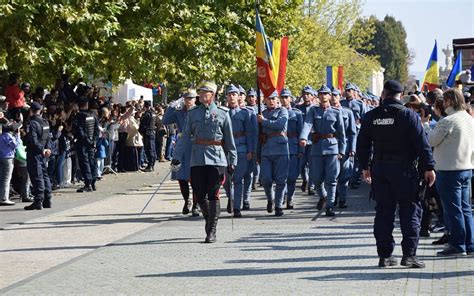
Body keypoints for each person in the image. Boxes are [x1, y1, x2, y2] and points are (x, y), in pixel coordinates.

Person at [357, 80, 436, 268]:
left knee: (384, 213)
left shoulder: (371, 116)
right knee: (410, 213)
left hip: (381, 170)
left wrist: (365, 167)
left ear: (384, 94)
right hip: (405, 171)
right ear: (400, 95)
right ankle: (409, 256)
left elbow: (362, 145)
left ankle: (385, 256)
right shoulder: (409, 116)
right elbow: (422, 145)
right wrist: (429, 167)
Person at [172, 81, 237, 243]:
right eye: (199, 93)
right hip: (198, 158)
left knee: (213, 194)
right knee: (199, 195)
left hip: (217, 158)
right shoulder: (193, 113)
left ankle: (212, 230)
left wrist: (233, 160)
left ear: (212, 95)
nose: (200, 96)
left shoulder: (223, 113)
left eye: (204, 93)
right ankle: (209, 221)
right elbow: (185, 136)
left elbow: (229, 139)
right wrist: (177, 156)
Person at [426, 88, 474, 256]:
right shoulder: (469, 119)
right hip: (466, 168)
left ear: (449, 101)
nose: (443, 104)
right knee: (465, 208)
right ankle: (470, 243)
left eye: (444, 101)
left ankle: (457, 244)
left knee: (453, 210)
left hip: (448, 169)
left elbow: (431, 139)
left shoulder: (447, 121)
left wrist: (426, 125)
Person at [299, 85, 346, 216]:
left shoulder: (336, 112)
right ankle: (323, 196)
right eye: (321, 94)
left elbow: (342, 134)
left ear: (330, 96)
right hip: (317, 148)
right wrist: (303, 137)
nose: (323, 96)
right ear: (318, 96)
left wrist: (341, 151)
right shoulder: (313, 111)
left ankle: (330, 206)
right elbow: (307, 124)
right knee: (316, 178)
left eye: (326, 93)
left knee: (331, 179)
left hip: (332, 148)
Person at [163, 89, 200, 216]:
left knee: (195, 177)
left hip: (195, 146)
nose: (188, 101)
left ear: (196, 99)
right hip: (181, 147)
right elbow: (165, 120)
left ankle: (196, 204)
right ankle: (187, 201)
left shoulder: (199, 111)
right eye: (186, 98)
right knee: (181, 176)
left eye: (191, 98)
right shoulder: (179, 112)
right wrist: (172, 105)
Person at [224, 84, 255, 217]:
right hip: (225, 150)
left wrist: (251, 150)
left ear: (238, 97)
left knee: (237, 179)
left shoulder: (246, 113)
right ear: (226, 97)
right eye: (229, 94)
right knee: (225, 180)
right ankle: (231, 199)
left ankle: (236, 207)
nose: (232, 97)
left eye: (234, 94)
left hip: (241, 149)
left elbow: (250, 133)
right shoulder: (222, 113)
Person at [258, 90, 289, 217]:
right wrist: (257, 153)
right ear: (264, 100)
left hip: (281, 149)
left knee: (281, 180)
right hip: (266, 150)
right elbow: (258, 135)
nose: (271, 101)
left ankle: (278, 205)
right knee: (266, 179)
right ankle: (270, 198)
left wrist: (264, 121)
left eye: (273, 98)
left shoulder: (283, 111)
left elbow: (279, 125)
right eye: (268, 98)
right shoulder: (262, 113)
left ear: (278, 100)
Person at [24, 102, 53, 210]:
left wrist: (42, 149)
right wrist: (48, 149)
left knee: (37, 177)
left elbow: (33, 140)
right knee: (44, 176)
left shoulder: (32, 123)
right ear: (40, 110)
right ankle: (47, 199)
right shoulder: (45, 122)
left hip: (35, 153)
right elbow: (49, 138)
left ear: (31, 110)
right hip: (44, 153)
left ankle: (38, 201)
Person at [330, 88, 356, 208]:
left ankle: (343, 199)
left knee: (344, 175)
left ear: (339, 96)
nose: (333, 97)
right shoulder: (326, 111)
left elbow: (352, 132)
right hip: (331, 146)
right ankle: (333, 197)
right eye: (332, 95)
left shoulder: (347, 112)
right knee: (332, 174)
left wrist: (352, 148)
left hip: (344, 146)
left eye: (335, 95)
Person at [280, 88, 303, 209]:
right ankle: (282, 195)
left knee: (292, 176)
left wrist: (301, 150)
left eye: (286, 97)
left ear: (290, 99)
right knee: (281, 175)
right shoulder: (276, 112)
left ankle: (290, 199)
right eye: (282, 97)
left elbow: (301, 132)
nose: (284, 100)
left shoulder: (297, 113)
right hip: (280, 146)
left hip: (293, 147)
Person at [72, 96, 99, 192]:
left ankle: (88, 183)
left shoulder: (79, 116)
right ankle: (93, 182)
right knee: (92, 162)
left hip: (83, 143)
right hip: (91, 142)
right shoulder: (93, 115)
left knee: (85, 163)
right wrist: (94, 141)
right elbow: (96, 129)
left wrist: (87, 141)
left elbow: (80, 130)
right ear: (87, 105)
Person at [296, 85, 316, 195]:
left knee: (312, 164)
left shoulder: (315, 109)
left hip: (313, 140)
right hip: (301, 140)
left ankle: (311, 186)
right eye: (304, 94)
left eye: (308, 94)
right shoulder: (298, 108)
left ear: (313, 96)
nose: (306, 96)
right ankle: (305, 179)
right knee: (302, 164)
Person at [0, 121, 21, 206]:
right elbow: (16, 145)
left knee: (2, 178)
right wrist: (17, 136)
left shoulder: (1, 136)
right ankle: (4, 198)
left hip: (1, 157)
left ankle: (2, 196)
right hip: (8, 158)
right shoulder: (8, 136)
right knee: (6, 179)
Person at [139, 101, 157, 172]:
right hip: (152, 132)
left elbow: (143, 124)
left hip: (147, 133)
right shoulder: (153, 113)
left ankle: (150, 166)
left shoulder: (147, 114)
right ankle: (152, 165)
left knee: (149, 149)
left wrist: (140, 131)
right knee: (152, 149)